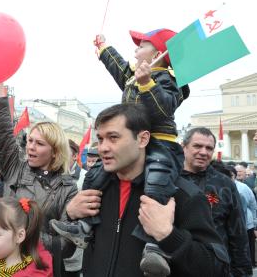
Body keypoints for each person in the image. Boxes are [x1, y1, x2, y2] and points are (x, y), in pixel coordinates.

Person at [52, 29, 189, 276]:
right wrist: (104, 48)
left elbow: (164, 110)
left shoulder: (169, 79)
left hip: (159, 143)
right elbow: (118, 67)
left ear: (158, 54)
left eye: (141, 46)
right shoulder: (132, 77)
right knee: (96, 176)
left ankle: (153, 245)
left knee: (157, 181)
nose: (135, 51)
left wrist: (148, 83)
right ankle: (84, 226)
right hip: (132, 145)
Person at [64, 103, 229, 276]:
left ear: (142, 139)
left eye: (113, 137)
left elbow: (217, 268)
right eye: (100, 139)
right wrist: (70, 215)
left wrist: (168, 235)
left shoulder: (184, 195)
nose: (103, 147)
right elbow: (64, 251)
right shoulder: (95, 190)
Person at [0, 84, 78, 277]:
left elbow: (66, 245)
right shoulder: (16, 167)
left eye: (39, 144)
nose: (31, 147)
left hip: (37, 269)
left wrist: (19, 236)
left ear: (55, 152)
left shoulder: (68, 188)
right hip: (0, 264)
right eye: (30, 140)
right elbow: (2, 131)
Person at [181, 127, 252, 276]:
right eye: (197, 146)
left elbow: (238, 232)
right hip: (176, 266)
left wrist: (243, 272)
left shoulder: (225, 184)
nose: (203, 152)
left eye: (209, 148)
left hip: (217, 268)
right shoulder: (169, 181)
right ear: (184, 146)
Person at [234, 164, 257, 268]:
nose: (238, 174)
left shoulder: (244, 188)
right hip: (233, 225)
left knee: (248, 247)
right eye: (237, 171)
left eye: (240, 171)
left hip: (247, 224)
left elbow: (253, 205)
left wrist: (255, 224)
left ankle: (250, 265)